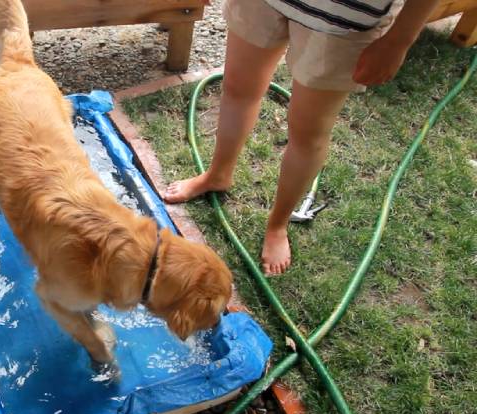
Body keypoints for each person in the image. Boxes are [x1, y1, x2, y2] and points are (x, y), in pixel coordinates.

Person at [164, 0, 439, 275]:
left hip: (343, 20)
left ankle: (277, 225)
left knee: (308, 131)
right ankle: (217, 175)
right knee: (237, 89)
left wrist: (400, 40)